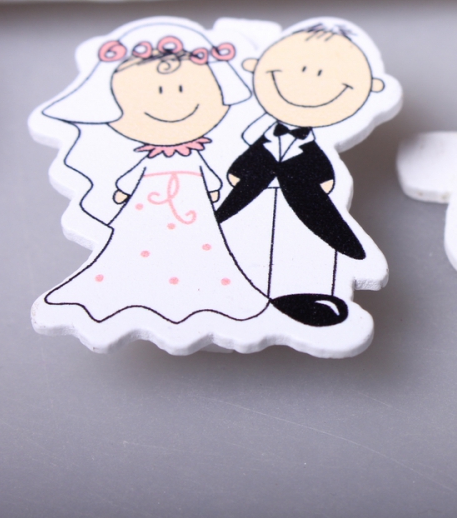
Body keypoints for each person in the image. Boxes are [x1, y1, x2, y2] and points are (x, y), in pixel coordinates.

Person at [41, 22, 270, 324]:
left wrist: (214, 189)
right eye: (155, 91)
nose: (171, 100)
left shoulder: (196, 153)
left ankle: (204, 294)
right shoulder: (148, 156)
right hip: (145, 209)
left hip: (195, 208)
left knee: (198, 249)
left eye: (182, 89)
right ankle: (131, 293)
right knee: (138, 246)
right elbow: (134, 174)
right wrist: (124, 190)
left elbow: (209, 176)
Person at [216, 21, 397, 327]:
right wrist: (238, 173)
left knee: (304, 249)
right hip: (252, 200)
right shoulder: (252, 133)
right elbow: (248, 156)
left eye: (330, 72)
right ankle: (231, 293)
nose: (311, 76)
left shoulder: (318, 145)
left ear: (373, 88)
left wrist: (322, 180)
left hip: (302, 204)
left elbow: (321, 166)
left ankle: (302, 299)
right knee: (238, 241)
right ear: (254, 67)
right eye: (296, 67)